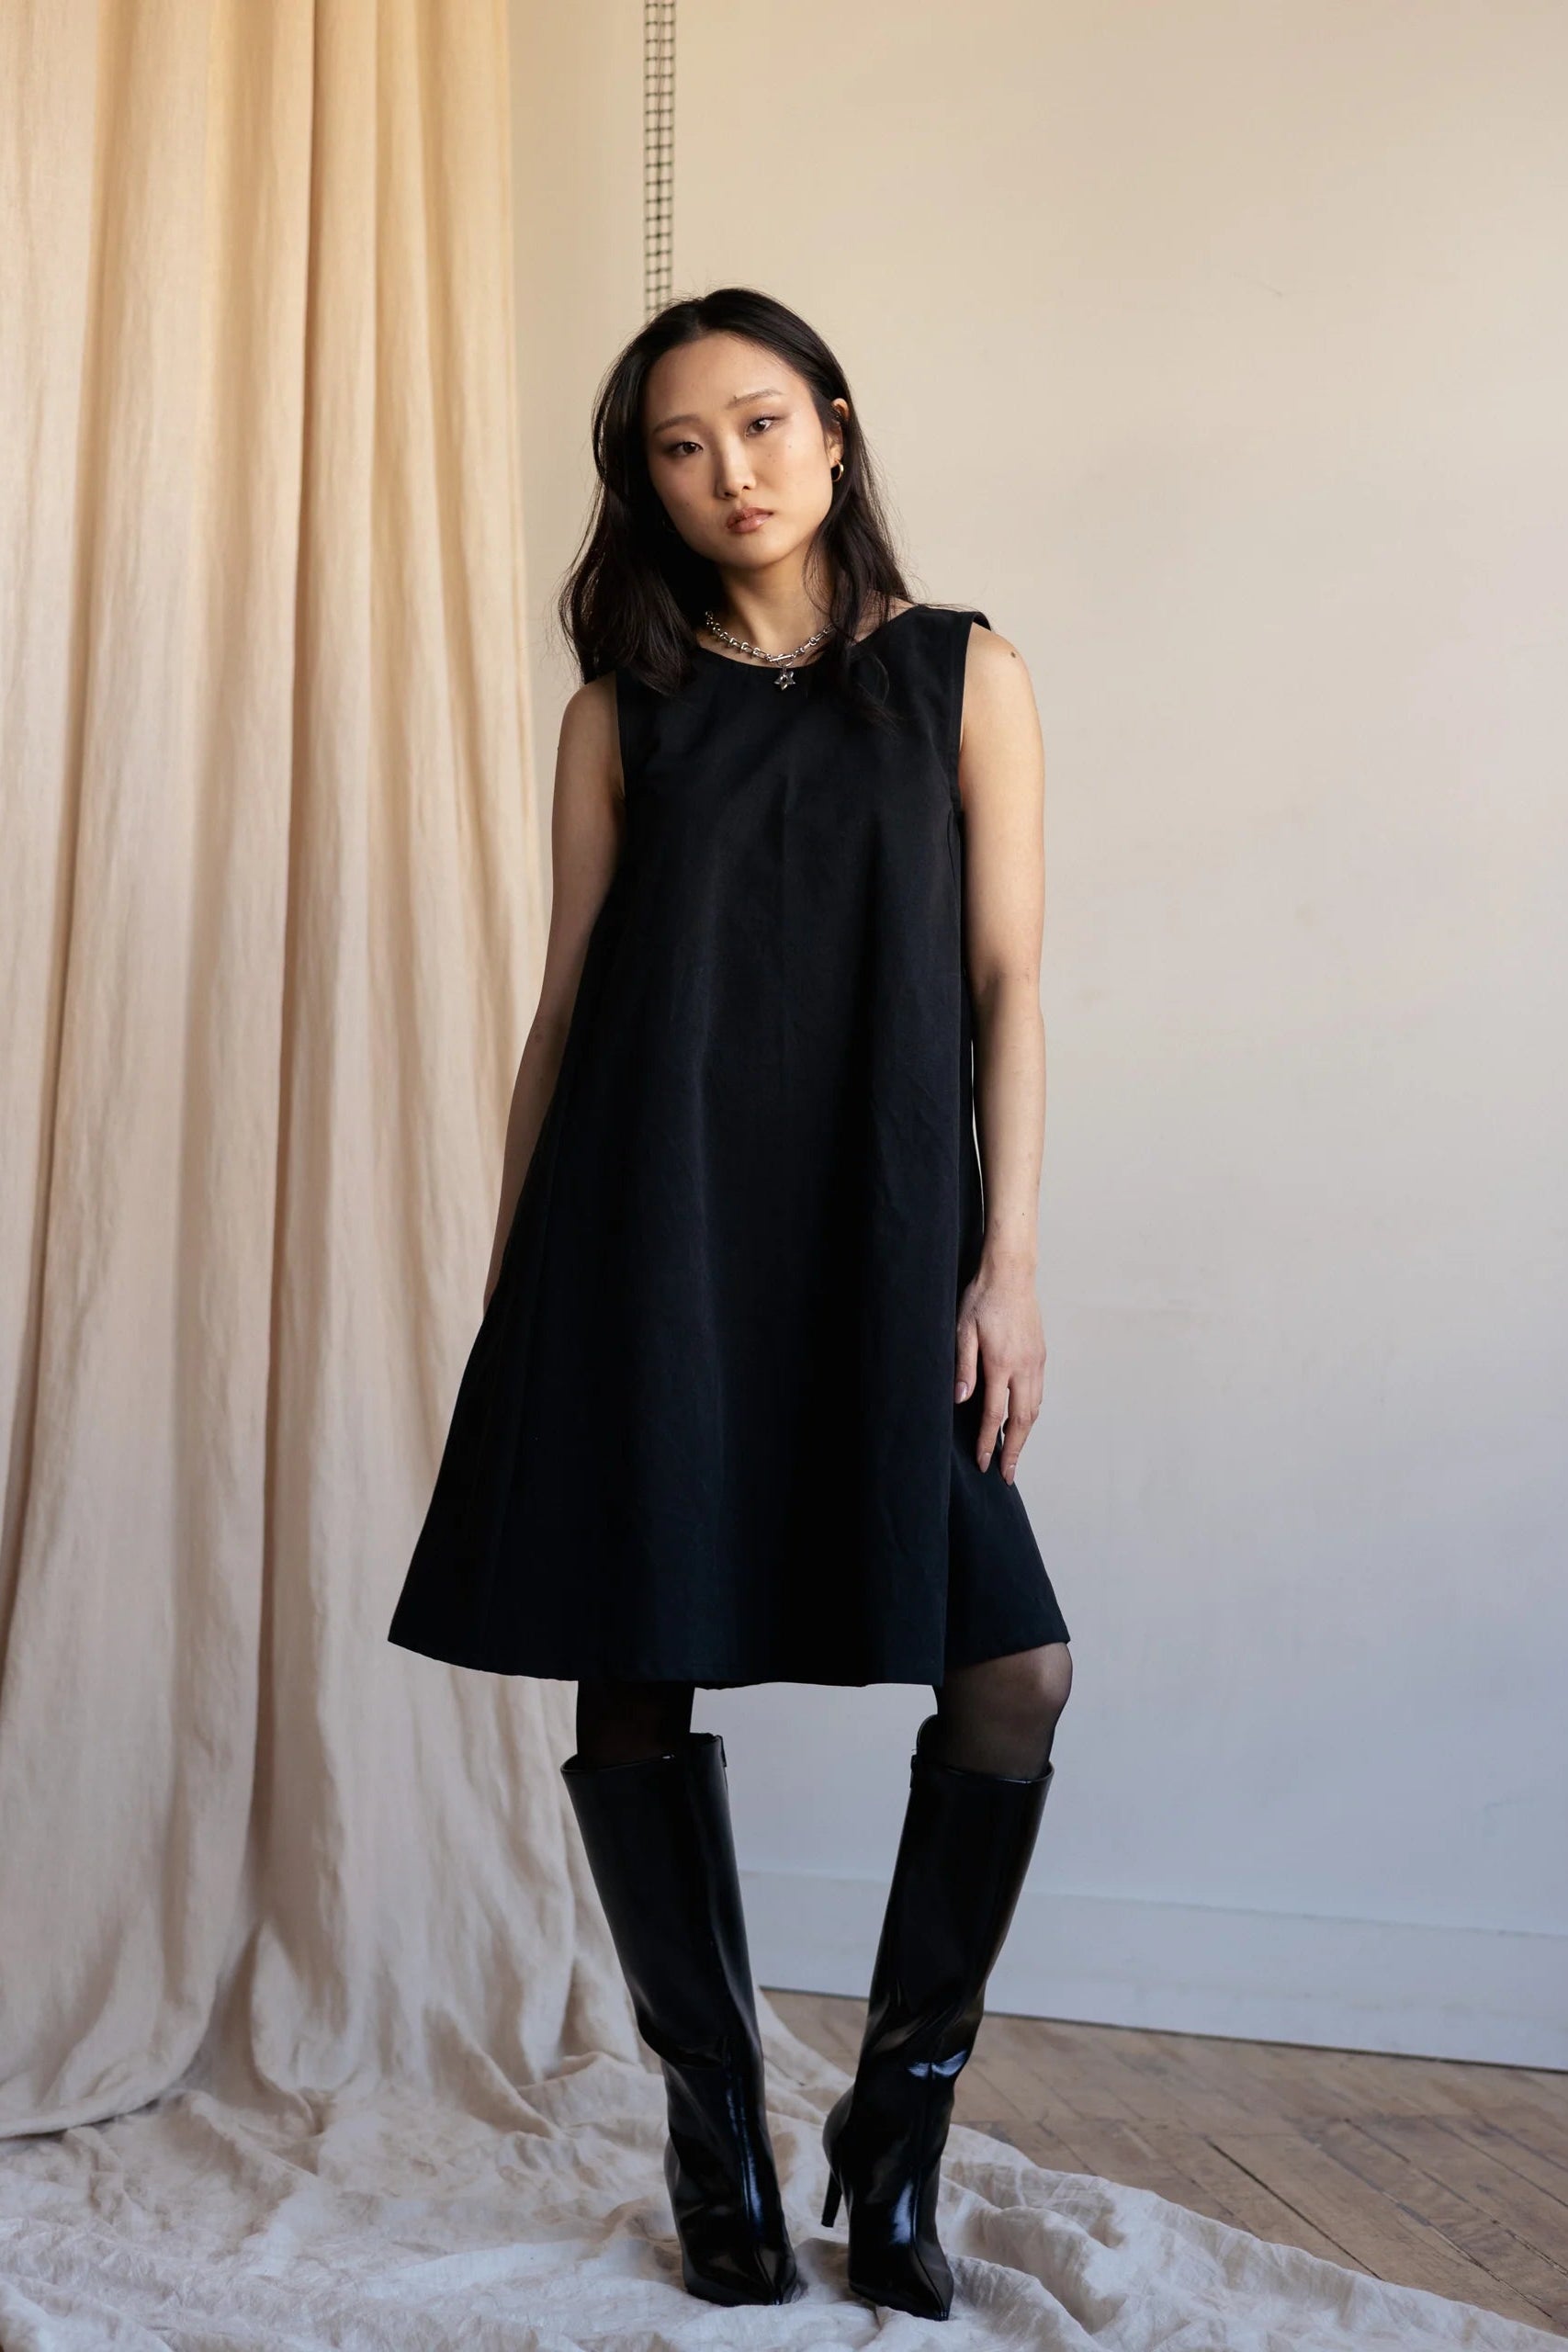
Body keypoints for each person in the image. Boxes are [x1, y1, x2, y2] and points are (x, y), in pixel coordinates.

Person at [387, 286, 1073, 2320]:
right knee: (633, 1665)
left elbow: (1010, 985)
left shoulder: (962, 675)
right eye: (681, 449)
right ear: (649, 487)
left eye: (761, 425)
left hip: (884, 1237)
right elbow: (565, 1007)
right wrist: (514, 1281)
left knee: (1014, 1672)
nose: (732, 474)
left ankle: (896, 2127)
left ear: (835, 428)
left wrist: (1007, 1260)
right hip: (644, 1236)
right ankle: (712, 2131)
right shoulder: (623, 711)